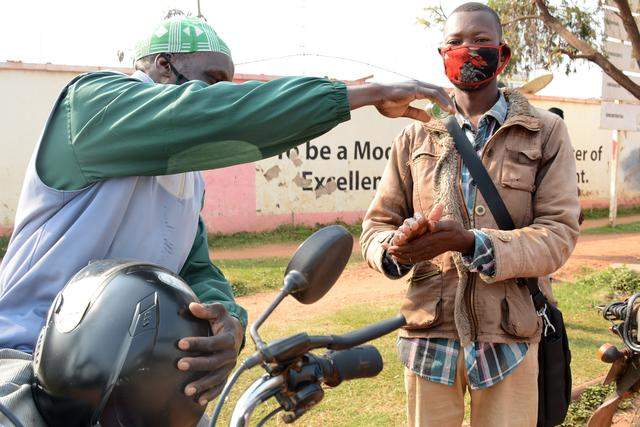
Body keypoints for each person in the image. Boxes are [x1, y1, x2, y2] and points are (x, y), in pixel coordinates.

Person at [0, 13, 454, 424]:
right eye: (210, 80)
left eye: (228, 84)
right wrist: (357, 95)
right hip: (27, 362)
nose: (219, 94)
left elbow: (197, 269)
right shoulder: (93, 104)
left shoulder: (185, 177)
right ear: (161, 65)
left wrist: (229, 324)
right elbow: (217, 115)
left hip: (128, 382)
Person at [360, 3, 580, 426]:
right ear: (441, 55)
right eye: (456, 42)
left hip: (510, 335)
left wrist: (470, 242)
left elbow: (558, 233)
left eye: (481, 40)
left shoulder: (545, 131)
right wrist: (396, 248)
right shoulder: (414, 136)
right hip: (429, 335)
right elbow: (376, 227)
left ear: (504, 54)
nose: (468, 49)